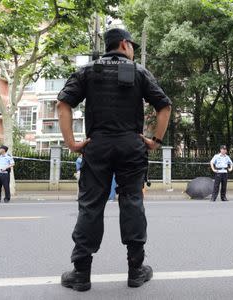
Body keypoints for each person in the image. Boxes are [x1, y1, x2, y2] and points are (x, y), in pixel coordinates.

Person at [57, 28, 172, 292]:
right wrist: (156, 140)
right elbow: (164, 106)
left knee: (90, 205)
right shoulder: (139, 72)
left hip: (97, 146)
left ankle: (81, 274)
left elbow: (63, 104)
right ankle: (135, 271)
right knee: (132, 202)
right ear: (124, 44)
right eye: (131, 44)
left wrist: (72, 143)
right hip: (131, 146)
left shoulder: (87, 71)